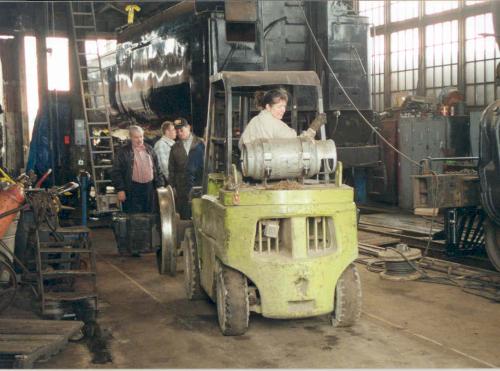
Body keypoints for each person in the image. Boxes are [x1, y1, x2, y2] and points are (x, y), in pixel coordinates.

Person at [238, 88, 326, 149]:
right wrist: (312, 130)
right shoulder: (274, 123)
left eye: (284, 106)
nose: (283, 110)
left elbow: (241, 144)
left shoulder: (254, 120)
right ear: (268, 107)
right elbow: (298, 143)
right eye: (279, 107)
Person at [111, 125, 164, 213]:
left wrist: (160, 185)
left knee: (150, 215)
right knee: (134, 217)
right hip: (132, 189)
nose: (139, 140)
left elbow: (157, 168)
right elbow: (116, 172)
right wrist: (120, 189)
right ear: (130, 137)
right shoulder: (123, 152)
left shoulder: (150, 149)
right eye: (136, 137)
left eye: (141, 136)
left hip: (149, 188)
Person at [168, 118, 202, 219]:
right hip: (182, 188)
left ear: (188, 127)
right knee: (185, 214)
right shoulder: (175, 147)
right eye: (177, 131)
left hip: (198, 186)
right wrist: (172, 187)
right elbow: (171, 169)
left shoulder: (201, 144)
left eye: (181, 130)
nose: (179, 133)